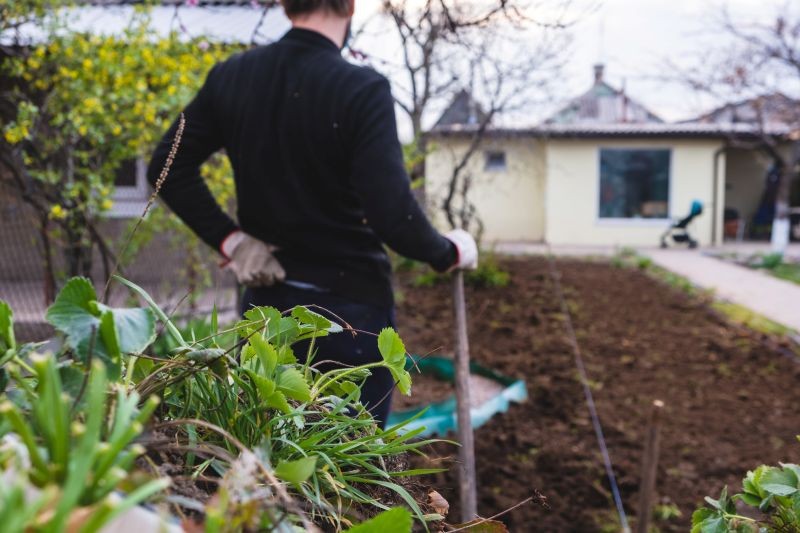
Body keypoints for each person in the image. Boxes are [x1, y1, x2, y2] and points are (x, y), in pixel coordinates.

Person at [147, 0, 478, 427]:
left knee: (266, 459)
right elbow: (393, 216)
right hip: (351, 319)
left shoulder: (233, 76)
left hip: (268, 314)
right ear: (352, 6)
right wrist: (447, 251)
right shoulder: (361, 89)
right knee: (350, 478)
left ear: (286, 4)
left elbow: (166, 166)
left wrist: (233, 241)